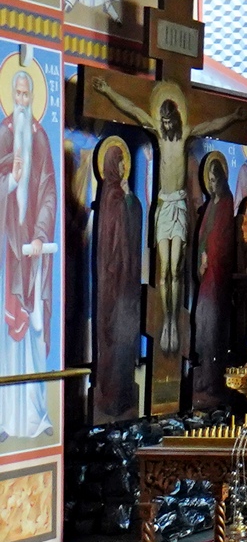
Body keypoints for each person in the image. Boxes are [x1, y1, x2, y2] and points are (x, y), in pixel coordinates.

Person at [92, 76, 246, 354]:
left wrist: (234, 117)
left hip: (180, 206)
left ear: (174, 118)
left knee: (177, 268)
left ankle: (174, 319)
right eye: (160, 122)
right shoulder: (159, 135)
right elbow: (132, 110)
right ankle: (168, 322)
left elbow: (211, 125)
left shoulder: (185, 134)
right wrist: (109, 89)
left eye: (166, 121)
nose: (163, 125)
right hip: (164, 206)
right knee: (164, 270)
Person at [0, 62, 54, 442]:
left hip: (32, 253)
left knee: (34, 333)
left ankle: (36, 416)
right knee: (8, 334)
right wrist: (10, 180)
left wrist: (38, 236)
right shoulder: (2, 135)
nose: (21, 101)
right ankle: (4, 420)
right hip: (6, 252)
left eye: (26, 95)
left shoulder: (41, 139)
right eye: (16, 94)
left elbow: (49, 190)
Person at [90, 137, 142, 424]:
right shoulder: (111, 196)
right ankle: (111, 398)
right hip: (114, 282)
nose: (124, 166)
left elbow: (132, 225)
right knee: (114, 337)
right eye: (120, 161)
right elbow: (112, 242)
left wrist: (131, 199)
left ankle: (123, 397)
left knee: (125, 337)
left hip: (126, 282)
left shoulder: (120, 195)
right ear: (110, 165)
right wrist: (126, 200)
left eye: (125, 160)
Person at [188, 153, 236, 410]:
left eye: (214, 178)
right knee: (203, 326)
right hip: (206, 276)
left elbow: (222, 240)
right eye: (208, 178)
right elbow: (204, 238)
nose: (211, 183)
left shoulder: (226, 203)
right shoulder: (210, 206)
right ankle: (205, 379)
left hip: (216, 278)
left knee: (213, 327)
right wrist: (201, 259)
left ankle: (214, 381)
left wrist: (209, 257)